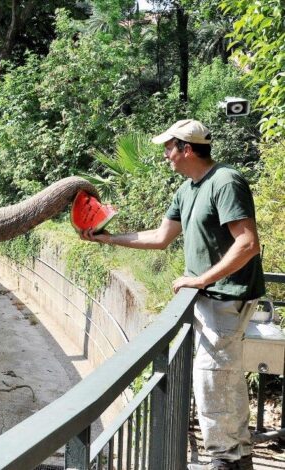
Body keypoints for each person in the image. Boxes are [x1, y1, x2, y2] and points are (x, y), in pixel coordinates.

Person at [80, 119, 265, 470]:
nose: (166, 155)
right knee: (223, 377)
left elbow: (248, 243)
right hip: (211, 298)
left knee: (211, 378)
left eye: (169, 148)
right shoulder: (188, 189)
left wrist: (201, 280)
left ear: (187, 149)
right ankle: (237, 456)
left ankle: (224, 460)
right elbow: (161, 238)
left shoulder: (225, 181)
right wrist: (109, 237)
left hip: (226, 298)